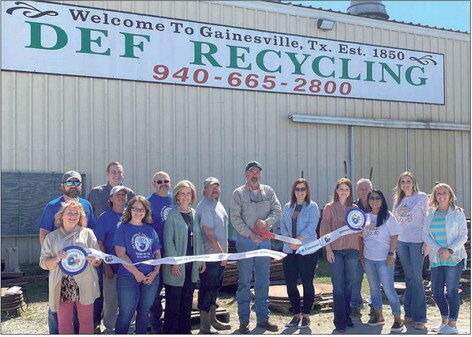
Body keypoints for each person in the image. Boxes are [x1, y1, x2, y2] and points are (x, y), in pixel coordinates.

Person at [38, 170, 95, 334]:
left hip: (82, 270)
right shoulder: (52, 206)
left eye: (77, 182)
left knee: (84, 314)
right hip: (59, 268)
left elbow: (89, 234)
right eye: (70, 182)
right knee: (58, 313)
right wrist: (52, 260)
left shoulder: (86, 205)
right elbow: (43, 233)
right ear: (62, 185)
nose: (74, 186)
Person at [230, 161, 282, 333]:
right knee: (244, 281)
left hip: (264, 242)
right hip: (246, 242)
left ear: (261, 174)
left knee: (263, 281)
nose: (254, 175)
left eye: (257, 172)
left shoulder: (269, 191)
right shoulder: (238, 193)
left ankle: (263, 318)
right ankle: (244, 320)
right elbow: (235, 219)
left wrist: (266, 222)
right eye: (251, 172)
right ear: (246, 175)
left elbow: (277, 210)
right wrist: (250, 234)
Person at [88, 162, 135, 333]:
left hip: (127, 262)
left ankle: (127, 326)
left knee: (126, 296)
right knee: (102, 292)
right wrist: (104, 260)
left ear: (123, 174)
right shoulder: (95, 193)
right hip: (101, 254)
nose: (116, 175)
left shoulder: (130, 193)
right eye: (113, 172)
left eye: (119, 172)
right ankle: (98, 325)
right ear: (107, 174)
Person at [422, 183, 468, 334]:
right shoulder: (430, 213)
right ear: (434, 196)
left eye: (444, 193)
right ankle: (444, 322)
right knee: (436, 292)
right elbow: (425, 235)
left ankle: (453, 325)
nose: (441, 195)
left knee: (452, 291)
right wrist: (439, 249)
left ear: (450, 195)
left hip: (454, 258)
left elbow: (463, 236)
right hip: (437, 257)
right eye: (438, 193)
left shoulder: (458, 212)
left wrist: (449, 250)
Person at [114, 196, 162, 334]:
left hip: (150, 278)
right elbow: (121, 254)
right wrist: (137, 273)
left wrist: (155, 272)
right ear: (129, 210)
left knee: (144, 313)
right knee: (126, 314)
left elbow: (157, 253)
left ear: (146, 212)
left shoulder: (150, 230)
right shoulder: (122, 228)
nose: (138, 212)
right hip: (128, 277)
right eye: (135, 208)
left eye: (142, 209)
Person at [163, 180, 205, 334]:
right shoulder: (172, 215)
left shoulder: (194, 214)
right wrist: (174, 263)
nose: (185, 196)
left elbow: (198, 239)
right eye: (182, 193)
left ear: (192, 196)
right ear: (177, 196)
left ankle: (185, 331)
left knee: (187, 301)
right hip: (177, 266)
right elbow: (169, 241)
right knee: (174, 302)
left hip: (191, 266)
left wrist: (201, 260)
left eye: (188, 193)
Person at [359, 189, 404, 332]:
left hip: (384, 259)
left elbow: (394, 236)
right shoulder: (364, 217)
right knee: (373, 289)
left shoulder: (388, 216)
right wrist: (361, 253)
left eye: (377, 198)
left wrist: (391, 254)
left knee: (389, 289)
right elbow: (360, 237)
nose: (374, 201)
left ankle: (397, 319)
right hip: (369, 259)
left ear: (382, 200)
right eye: (371, 198)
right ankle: (378, 316)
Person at [319, 178, 359, 333]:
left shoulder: (354, 208)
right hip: (335, 251)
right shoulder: (329, 207)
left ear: (350, 192)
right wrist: (327, 249)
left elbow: (358, 229)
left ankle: (347, 315)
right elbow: (324, 229)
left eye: (347, 189)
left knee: (349, 285)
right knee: (338, 286)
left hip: (351, 250)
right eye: (341, 189)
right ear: (336, 191)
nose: (343, 192)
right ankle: (339, 320)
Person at [280, 178, 319, 329]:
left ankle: (306, 315)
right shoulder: (288, 206)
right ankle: (296, 314)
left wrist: (297, 240)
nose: (300, 192)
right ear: (294, 191)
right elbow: (282, 225)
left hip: (307, 250)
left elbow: (311, 227)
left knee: (307, 283)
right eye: (298, 189)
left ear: (307, 191)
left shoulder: (312, 206)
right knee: (290, 283)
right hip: (289, 250)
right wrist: (289, 240)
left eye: (303, 189)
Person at [392, 171, 428, 330]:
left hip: (417, 241)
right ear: (400, 184)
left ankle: (420, 317)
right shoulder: (398, 199)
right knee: (409, 277)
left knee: (417, 277)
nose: (405, 184)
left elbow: (428, 219)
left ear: (413, 182)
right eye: (402, 182)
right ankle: (409, 314)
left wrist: (426, 241)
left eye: (408, 181)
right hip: (402, 242)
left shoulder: (422, 197)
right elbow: (394, 221)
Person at [196, 177, 231, 333]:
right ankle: (204, 326)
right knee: (207, 288)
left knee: (215, 288)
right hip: (211, 257)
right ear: (204, 191)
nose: (215, 189)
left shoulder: (218, 204)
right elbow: (208, 232)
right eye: (211, 187)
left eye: (217, 187)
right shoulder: (205, 206)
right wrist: (221, 253)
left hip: (219, 256)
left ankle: (213, 319)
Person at [93, 185, 130, 334]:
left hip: (129, 268)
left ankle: (129, 328)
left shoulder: (131, 215)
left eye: (124, 195)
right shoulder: (105, 217)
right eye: (117, 195)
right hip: (112, 268)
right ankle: (109, 328)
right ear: (110, 198)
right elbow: (100, 242)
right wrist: (106, 265)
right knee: (111, 301)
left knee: (129, 301)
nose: (121, 197)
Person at [147, 171, 174, 333]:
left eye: (166, 181)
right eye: (159, 182)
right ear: (153, 184)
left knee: (173, 291)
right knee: (155, 294)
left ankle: (171, 327)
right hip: (155, 255)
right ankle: (156, 327)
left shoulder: (176, 200)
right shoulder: (148, 202)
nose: (163, 184)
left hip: (173, 254)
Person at [351, 178, 373, 316]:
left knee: (373, 279)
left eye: (366, 189)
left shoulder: (378, 206)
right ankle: (355, 304)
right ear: (357, 191)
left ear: (371, 190)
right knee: (355, 277)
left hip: (373, 248)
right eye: (361, 189)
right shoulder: (352, 208)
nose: (364, 191)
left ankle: (374, 305)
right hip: (355, 248)